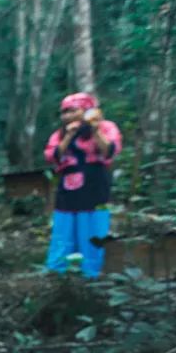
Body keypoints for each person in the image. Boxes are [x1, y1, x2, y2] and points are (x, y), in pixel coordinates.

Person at [44, 92, 122, 278]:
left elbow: (110, 151)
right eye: (64, 112)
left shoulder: (106, 127)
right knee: (64, 230)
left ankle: (91, 273)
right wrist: (69, 135)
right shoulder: (60, 133)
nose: (67, 116)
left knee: (93, 229)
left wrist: (95, 130)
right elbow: (51, 156)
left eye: (72, 111)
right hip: (68, 187)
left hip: (95, 185)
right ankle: (57, 273)